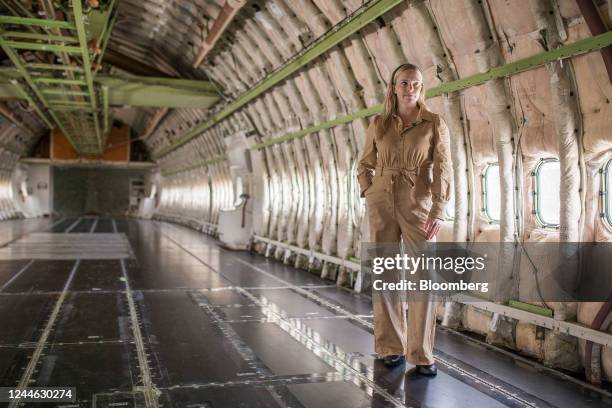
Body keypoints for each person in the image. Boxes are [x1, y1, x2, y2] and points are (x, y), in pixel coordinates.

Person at [357, 63, 452, 376]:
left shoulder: (434, 123)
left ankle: (422, 354)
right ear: (393, 87)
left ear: (421, 88)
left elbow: (444, 169)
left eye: (416, 83)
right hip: (381, 200)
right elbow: (363, 164)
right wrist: (369, 191)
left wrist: (439, 209)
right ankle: (390, 347)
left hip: (417, 203)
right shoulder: (379, 124)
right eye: (404, 83)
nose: (410, 88)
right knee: (385, 273)